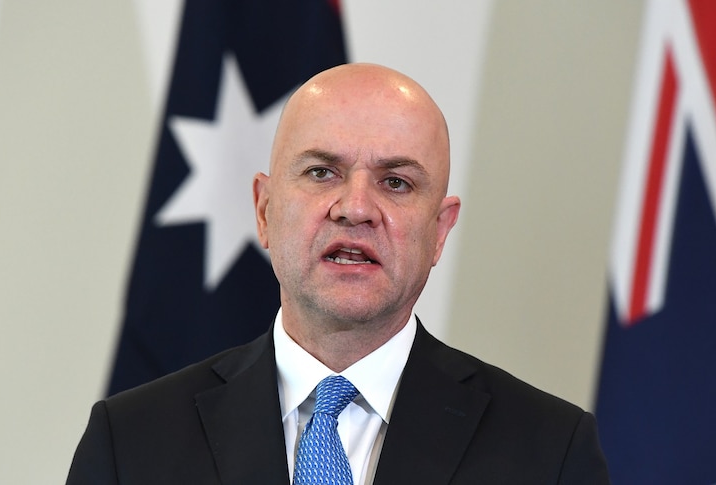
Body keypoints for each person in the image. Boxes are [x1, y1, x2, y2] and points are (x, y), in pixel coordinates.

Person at [66, 63, 610, 484]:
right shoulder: (131, 442)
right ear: (264, 210)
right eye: (322, 172)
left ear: (440, 230)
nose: (355, 207)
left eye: (396, 182)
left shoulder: (550, 451)